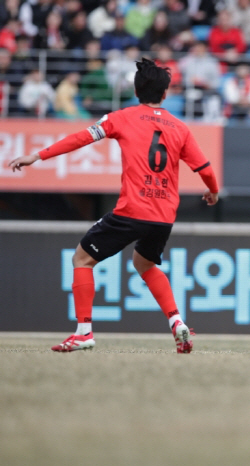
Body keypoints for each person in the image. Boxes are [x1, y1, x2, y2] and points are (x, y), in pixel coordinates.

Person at [7, 58, 220, 353]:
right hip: (164, 215)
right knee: (143, 263)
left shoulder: (120, 117)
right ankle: (176, 322)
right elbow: (206, 169)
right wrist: (213, 192)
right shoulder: (179, 128)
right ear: (165, 93)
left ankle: (83, 332)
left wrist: (38, 156)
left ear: (135, 91)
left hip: (133, 209)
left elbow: (80, 138)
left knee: (82, 260)